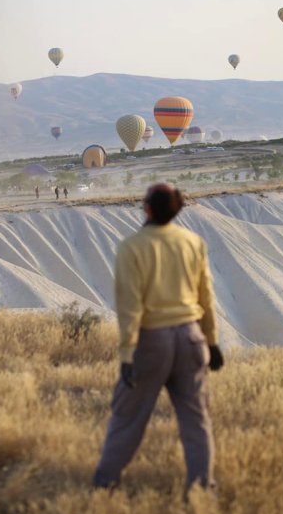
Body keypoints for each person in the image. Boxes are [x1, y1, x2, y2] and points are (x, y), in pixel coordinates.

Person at [93, 183, 224, 493]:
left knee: (128, 417)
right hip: (191, 338)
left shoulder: (132, 247)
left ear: (147, 208)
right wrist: (212, 341)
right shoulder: (193, 242)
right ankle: (202, 489)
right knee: (196, 419)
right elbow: (206, 296)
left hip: (152, 342)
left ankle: (104, 485)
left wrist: (126, 354)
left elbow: (130, 307)